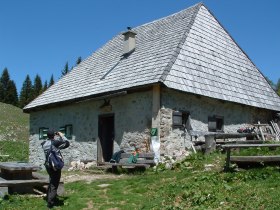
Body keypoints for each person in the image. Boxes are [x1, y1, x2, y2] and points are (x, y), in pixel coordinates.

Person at [41, 129, 70, 209]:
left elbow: (56, 145)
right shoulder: (54, 142)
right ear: (53, 135)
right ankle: (50, 202)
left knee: (52, 180)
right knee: (54, 183)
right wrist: (61, 135)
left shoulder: (43, 143)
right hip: (54, 166)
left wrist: (56, 137)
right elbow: (67, 143)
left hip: (48, 165)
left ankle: (49, 196)